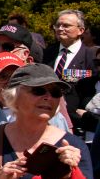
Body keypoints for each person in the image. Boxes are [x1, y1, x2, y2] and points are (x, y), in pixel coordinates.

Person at [41, 9, 97, 138]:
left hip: (79, 127)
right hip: (48, 123)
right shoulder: (47, 54)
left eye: (66, 25)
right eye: (58, 25)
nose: (60, 29)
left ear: (81, 30)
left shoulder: (91, 57)